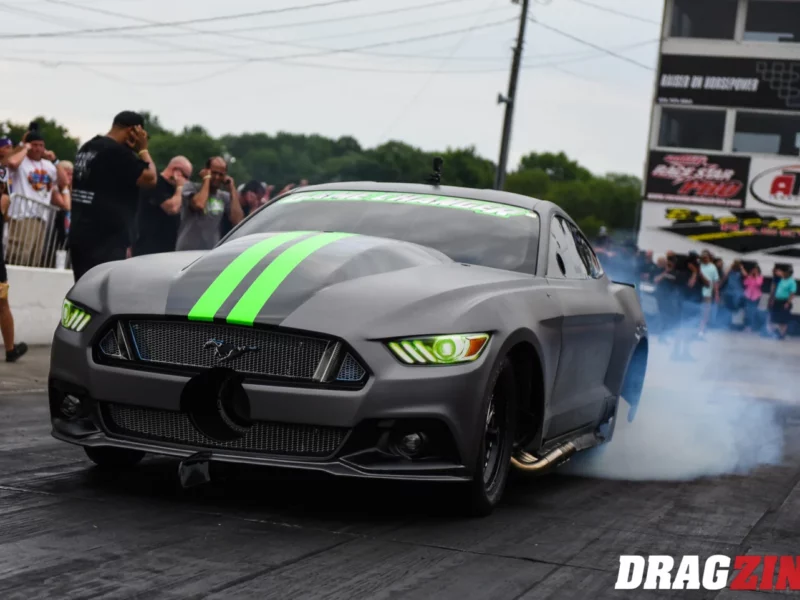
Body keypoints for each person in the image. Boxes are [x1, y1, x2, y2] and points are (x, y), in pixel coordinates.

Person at [68, 111, 157, 282]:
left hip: (80, 233)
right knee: (102, 296)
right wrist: (143, 149)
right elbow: (151, 178)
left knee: (82, 292)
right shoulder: (116, 153)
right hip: (106, 239)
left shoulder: (88, 147)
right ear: (134, 131)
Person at [3, 131, 67, 267]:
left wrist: (55, 160)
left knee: (34, 258)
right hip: (22, 215)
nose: (38, 148)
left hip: (42, 216)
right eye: (34, 145)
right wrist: (25, 148)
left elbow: (64, 180)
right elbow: (12, 163)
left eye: (41, 145)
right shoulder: (22, 161)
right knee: (18, 255)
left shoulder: (48, 165)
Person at [175, 156, 243, 251]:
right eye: (214, 173)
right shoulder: (190, 188)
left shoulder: (224, 197)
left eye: (221, 174)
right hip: (187, 250)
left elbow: (238, 220)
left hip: (209, 251)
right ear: (206, 171)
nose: (217, 177)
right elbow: (199, 204)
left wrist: (232, 189)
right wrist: (207, 178)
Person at [131, 156, 193, 257]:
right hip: (149, 247)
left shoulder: (175, 188)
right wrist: (180, 187)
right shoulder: (156, 183)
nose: (186, 181)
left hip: (170, 247)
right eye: (185, 177)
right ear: (176, 171)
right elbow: (172, 208)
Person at [0, 178, 27, 362]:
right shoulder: (4, 199)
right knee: (2, 305)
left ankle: (11, 349)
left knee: (2, 303)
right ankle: (10, 349)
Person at [768, 266, 796, 340]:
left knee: (783, 320)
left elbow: (792, 293)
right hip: (777, 300)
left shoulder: (791, 281)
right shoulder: (780, 279)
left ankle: (782, 334)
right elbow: (776, 290)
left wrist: (788, 302)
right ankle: (774, 332)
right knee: (773, 318)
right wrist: (772, 300)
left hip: (784, 301)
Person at [698, 250, 719, 338]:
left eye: (706, 257)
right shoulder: (699, 266)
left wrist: (717, 293)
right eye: (703, 257)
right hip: (698, 292)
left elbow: (715, 281)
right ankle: (696, 328)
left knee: (705, 312)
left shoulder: (713, 267)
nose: (705, 259)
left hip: (708, 294)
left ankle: (701, 329)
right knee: (698, 311)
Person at [742, 265, 764, 332]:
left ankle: (751, 327)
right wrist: (749, 276)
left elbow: (758, 284)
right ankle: (746, 326)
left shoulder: (760, 277)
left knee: (752, 312)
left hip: (755, 296)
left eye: (756, 270)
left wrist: (756, 276)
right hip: (748, 296)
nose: (754, 271)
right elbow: (745, 283)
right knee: (746, 312)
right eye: (753, 270)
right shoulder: (750, 276)